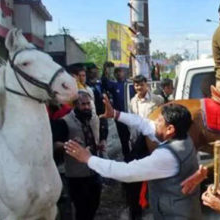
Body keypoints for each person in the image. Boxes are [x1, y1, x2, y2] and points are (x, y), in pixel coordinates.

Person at [64, 95, 202, 220]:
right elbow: (144, 124)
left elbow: (126, 172)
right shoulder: (184, 138)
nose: (154, 123)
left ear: (170, 129)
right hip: (183, 210)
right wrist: (116, 115)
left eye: (159, 121)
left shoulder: (166, 156)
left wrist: (89, 159)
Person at [51, 91, 103, 220]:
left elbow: (99, 134)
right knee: (82, 209)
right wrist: (68, 145)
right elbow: (55, 145)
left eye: (88, 104)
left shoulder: (93, 118)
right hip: (77, 175)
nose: (86, 107)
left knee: (94, 205)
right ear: (75, 105)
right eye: (82, 104)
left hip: (95, 170)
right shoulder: (64, 122)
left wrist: (101, 143)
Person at [126, 74, 163, 219]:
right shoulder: (132, 101)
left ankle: (154, 202)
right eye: (135, 85)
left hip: (153, 141)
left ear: (146, 85)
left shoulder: (157, 100)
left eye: (140, 85)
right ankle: (140, 204)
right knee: (139, 173)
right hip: (138, 141)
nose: (138, 88)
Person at [86, 63, 108, 152]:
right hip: (93, 113)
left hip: (102, 111)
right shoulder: (86, 85)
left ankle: (103, 149)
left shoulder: (100, 82)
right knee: (95, 135)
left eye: (96, 71)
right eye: (93, 72)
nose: (95, 73)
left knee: (104, 132)